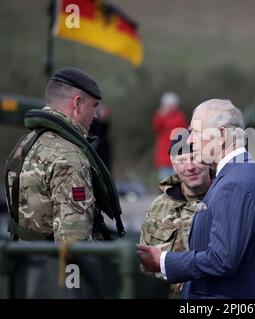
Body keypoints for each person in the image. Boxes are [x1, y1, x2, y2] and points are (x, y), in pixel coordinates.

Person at [138, 99, 255, 299]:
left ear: (222, 136)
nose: (189, 140)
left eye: (196, 133)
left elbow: (221, 260)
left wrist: (163, 261)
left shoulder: (234, 184)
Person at [4, 67, 124, 242]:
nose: (96, 116)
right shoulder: (69, 158)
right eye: (94, 106)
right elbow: (75, 244)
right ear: (76, 103)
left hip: (26, 262)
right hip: (59, 268)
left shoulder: (25, 144)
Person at [140, 134, 212, 295]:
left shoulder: (224, 199)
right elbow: (145, 264)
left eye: (195, 158)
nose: (190, 166)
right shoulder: (159, 206)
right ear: (173, 164)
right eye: (181, 160)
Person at [152, 92, 188, 181]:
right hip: (163, 153)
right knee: (164, 178)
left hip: (176, 151)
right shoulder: (160, 116)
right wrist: (161, 115)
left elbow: (183, 133)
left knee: (176, 177)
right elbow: (156, 127)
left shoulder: (179, 116)